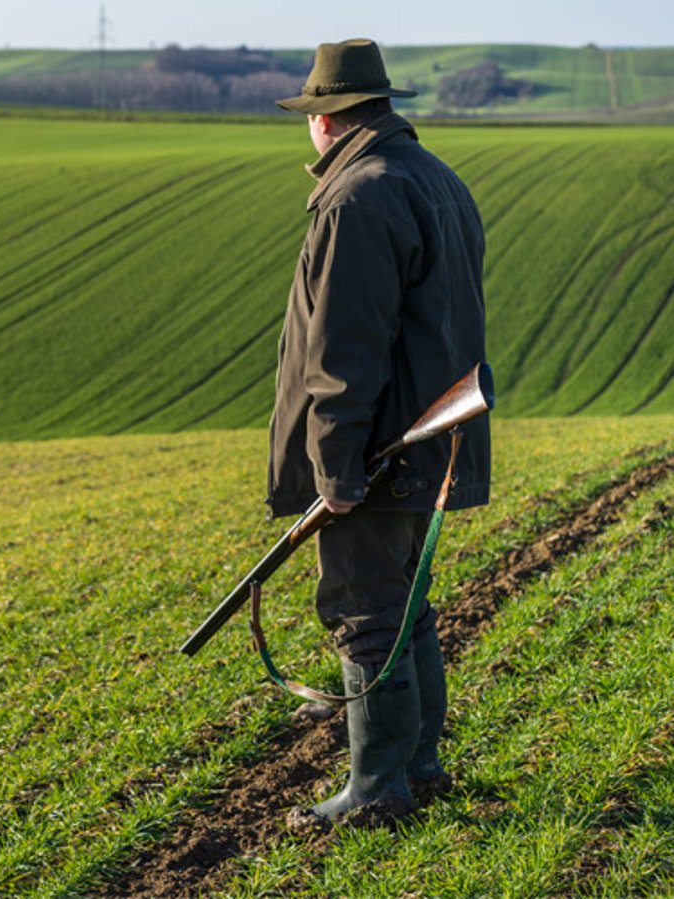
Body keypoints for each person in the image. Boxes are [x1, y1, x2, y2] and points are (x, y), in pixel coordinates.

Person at [267, 39, 490, 829]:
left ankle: (375, 790)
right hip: (428, 446)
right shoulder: (435, 179)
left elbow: (342, 354)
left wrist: (331, 469)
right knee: (406, 607)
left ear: (325, 119)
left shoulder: (358, 197)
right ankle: (417, 766)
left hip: (378, 455)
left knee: (365, 609)